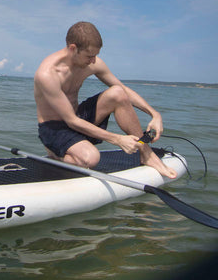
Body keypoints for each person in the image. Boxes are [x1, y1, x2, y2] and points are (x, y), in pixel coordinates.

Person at [34, 21, 177, 179]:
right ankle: (56, 153)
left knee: (117, 93)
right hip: (54, 128)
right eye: (89, 56)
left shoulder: (90, 63)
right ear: (73, 48)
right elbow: (71, 121)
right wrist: (118, 139)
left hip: (77, 118)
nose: (94, 61)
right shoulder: (48, 74)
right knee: (90, 158)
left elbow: (123, 90)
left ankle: (147, 155)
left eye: (96, 55)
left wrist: (155, 115)